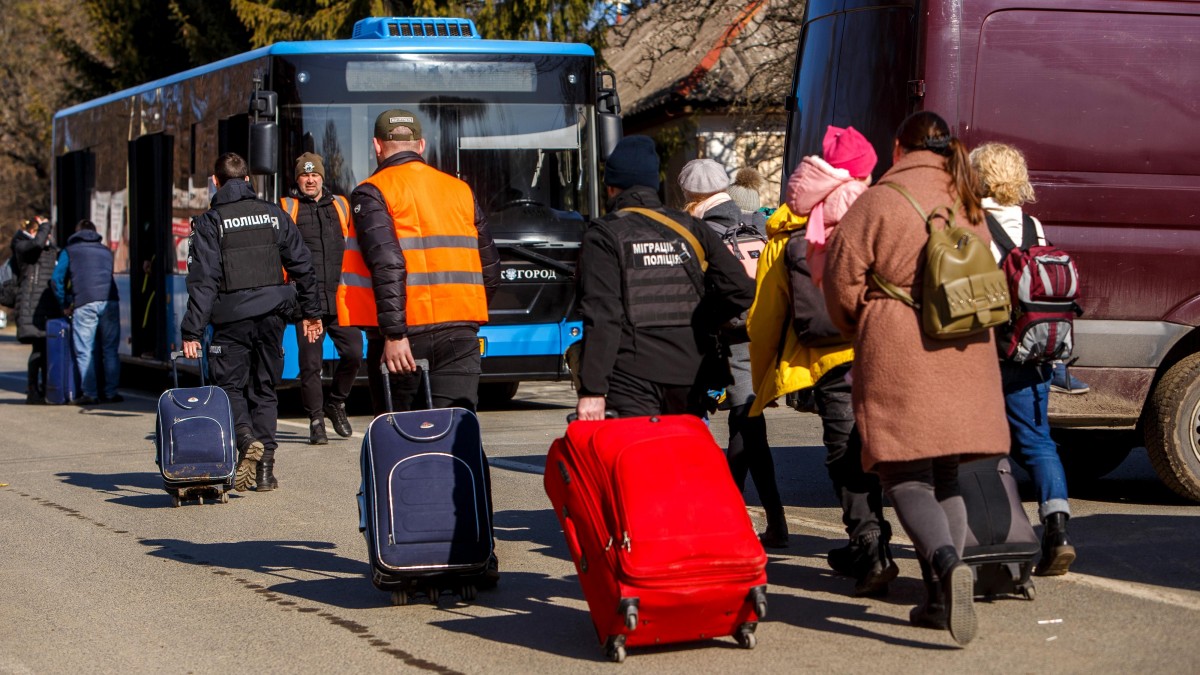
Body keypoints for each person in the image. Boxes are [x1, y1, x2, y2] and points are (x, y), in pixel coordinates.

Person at [822, 111, 1009, 646]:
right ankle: (939, 598)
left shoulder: (880, 198)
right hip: (967, 347)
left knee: (901, 472)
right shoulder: (966, 197)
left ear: (899, 146)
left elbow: (841, 281)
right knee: (945, 473)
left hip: (902, 346)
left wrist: (863, 316)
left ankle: (948, 565)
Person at [337, 109, 501, 584]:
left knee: (405, 441)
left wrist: (393, 333)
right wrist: (466, 311)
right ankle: (478, 553)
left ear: (377, 146)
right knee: (462, 443)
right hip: (461, 331)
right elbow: (489, 266)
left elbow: (387, 263)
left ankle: (406, 555)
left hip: (406, 341)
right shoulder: (459, 189)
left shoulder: (373, 192)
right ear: (422, 146)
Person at [746, 124, 899, 597]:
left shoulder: (788, 233)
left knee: (843, 452)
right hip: (888, 348)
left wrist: (764, 382)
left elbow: (766, 318)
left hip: (828, 358)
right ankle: (936, 548)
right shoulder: (882, 213)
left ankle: (870, 544)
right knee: (895, 450)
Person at [575, 137, 755, 421]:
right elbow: (742, 289)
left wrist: (592, 390)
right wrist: (702, 318)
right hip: (691, 370)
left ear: (610, 187)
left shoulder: (604, 234)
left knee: (642, 458)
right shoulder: (692, 227)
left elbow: (602, 313)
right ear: (653, 184)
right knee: (684, 457)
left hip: (632, 376)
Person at [181, 152, 323, 493]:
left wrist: (192, 331)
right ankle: (265, 472)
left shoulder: (210, 223)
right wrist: (312, 313)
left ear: (215, 182)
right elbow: (303, 265)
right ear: (248, 180)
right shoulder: (275, 215)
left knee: (231, 386)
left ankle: (245, 440)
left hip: (231, 319)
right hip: (273, 315)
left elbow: (205, 281)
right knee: (264, 389)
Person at [971, 141, 1076, 576]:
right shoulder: (1033, 225)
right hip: (1036, 351)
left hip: (989, 351)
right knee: (1038, 442)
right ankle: (1058, 530)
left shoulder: (973, 225)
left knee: (986, 447)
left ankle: (1001, 536)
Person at [678, 158, 787, 549]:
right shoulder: (758, 223)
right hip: (762, 333)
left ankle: (723, 517)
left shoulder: (697, 231)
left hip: (722, 340)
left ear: (690, 195)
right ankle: (774, 522)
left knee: (729, 427)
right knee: (750, 424)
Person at [281, 152, 364, 445]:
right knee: (310, 364)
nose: (310, 179)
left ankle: (336, 402)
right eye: (305, 175)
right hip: (307, 302)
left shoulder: (340, 205)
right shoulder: (287, 209)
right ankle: (316, 419)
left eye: (314, 174)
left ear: (322, 177)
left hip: (340, 299)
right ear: (297, 179)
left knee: (354, 352)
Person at [50, 220, 122, 405]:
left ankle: (90, 393)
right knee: (110, 350)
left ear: (77, 232)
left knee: (85, 351)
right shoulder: (106, 250)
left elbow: (56, 279)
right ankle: (111, 393)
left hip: (85, 302)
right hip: (110, 300)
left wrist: (64, 303)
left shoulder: (70, 251)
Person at [12, 216, 60, 404]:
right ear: (34, 232)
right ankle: (33, 389)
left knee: (46, 349)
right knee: (38, 349)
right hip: (31, 305)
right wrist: (45, 226)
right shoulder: (22, 245)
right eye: (43, 232)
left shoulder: (46, 248)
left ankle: (45, 389)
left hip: (46, 304)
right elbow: (36, 245)